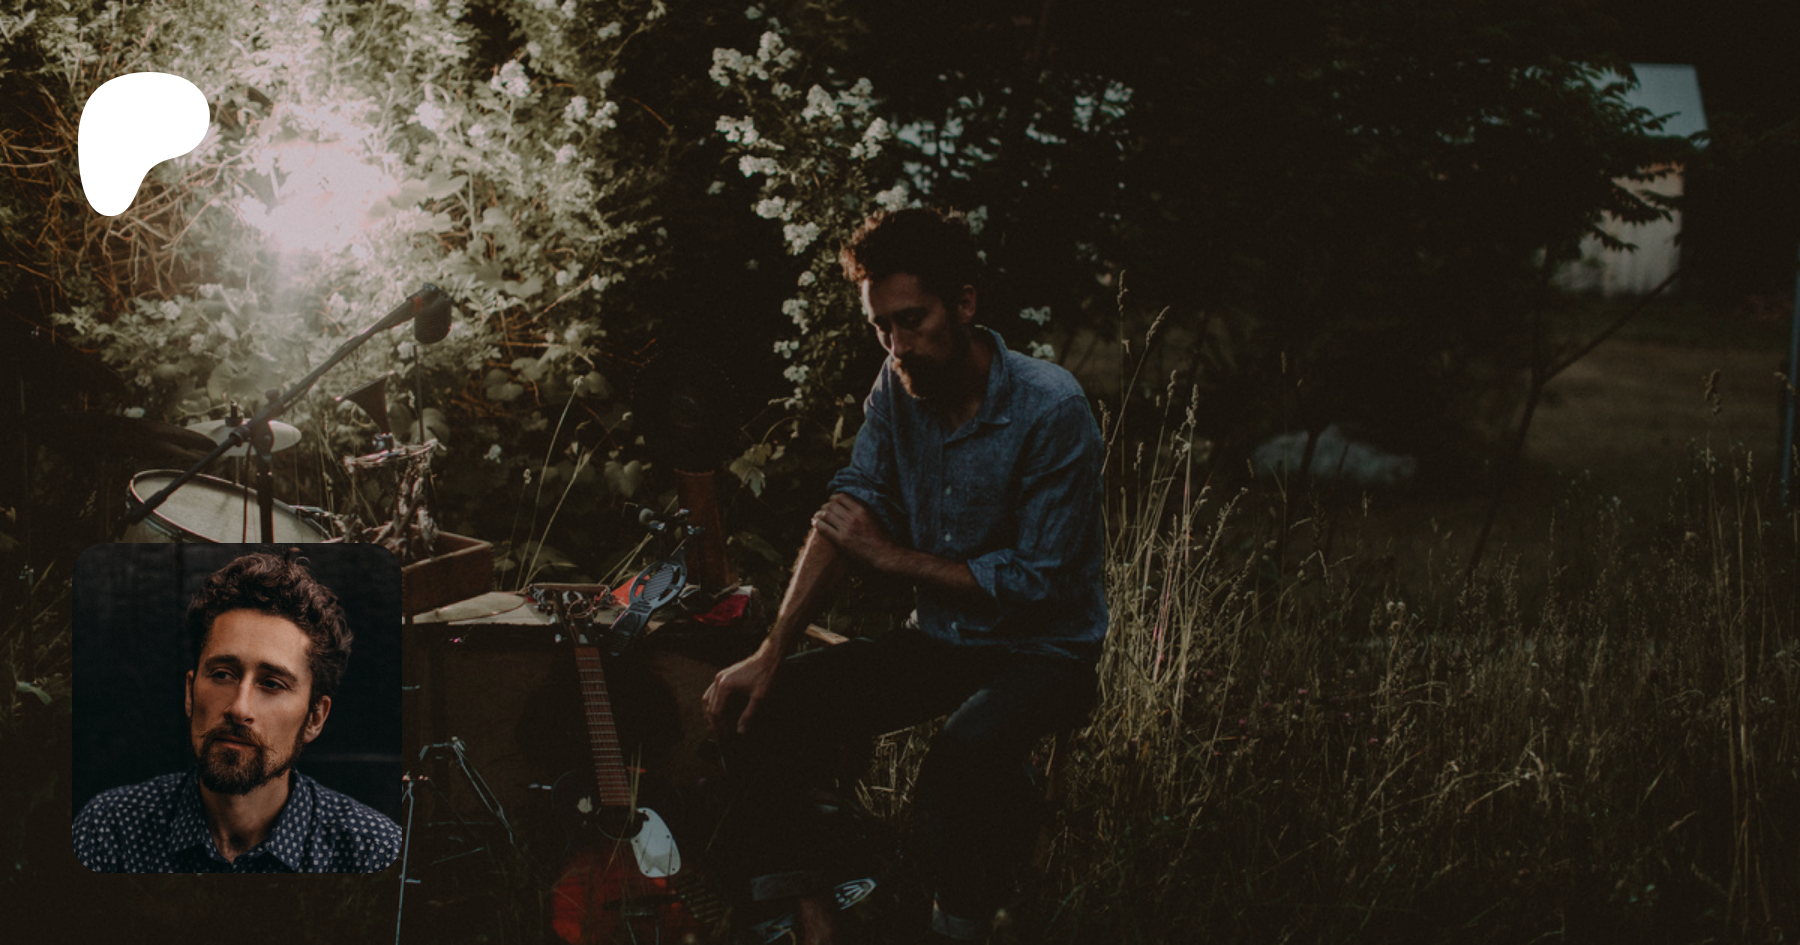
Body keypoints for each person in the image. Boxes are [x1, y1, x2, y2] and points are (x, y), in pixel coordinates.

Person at [703, 208, 1108, 943]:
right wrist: (770, 652)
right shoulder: (896, 386)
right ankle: (813, 913)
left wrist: (889, 557)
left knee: (964, 753)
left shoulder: (1051, 406)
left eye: (912, 320)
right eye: (881, 326)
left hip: (1045, 653)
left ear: (965, 302)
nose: (897, 344)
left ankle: (957, 924)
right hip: (943, 640)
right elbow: (846, 513)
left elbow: (1039, 582)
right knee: (760, 701)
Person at [72, 550, 402, 873]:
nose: (239, 708)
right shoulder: (109, 831)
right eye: (222, 675)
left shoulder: (372, 851)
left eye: (272, 684)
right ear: (190, 692)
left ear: (314, 718)